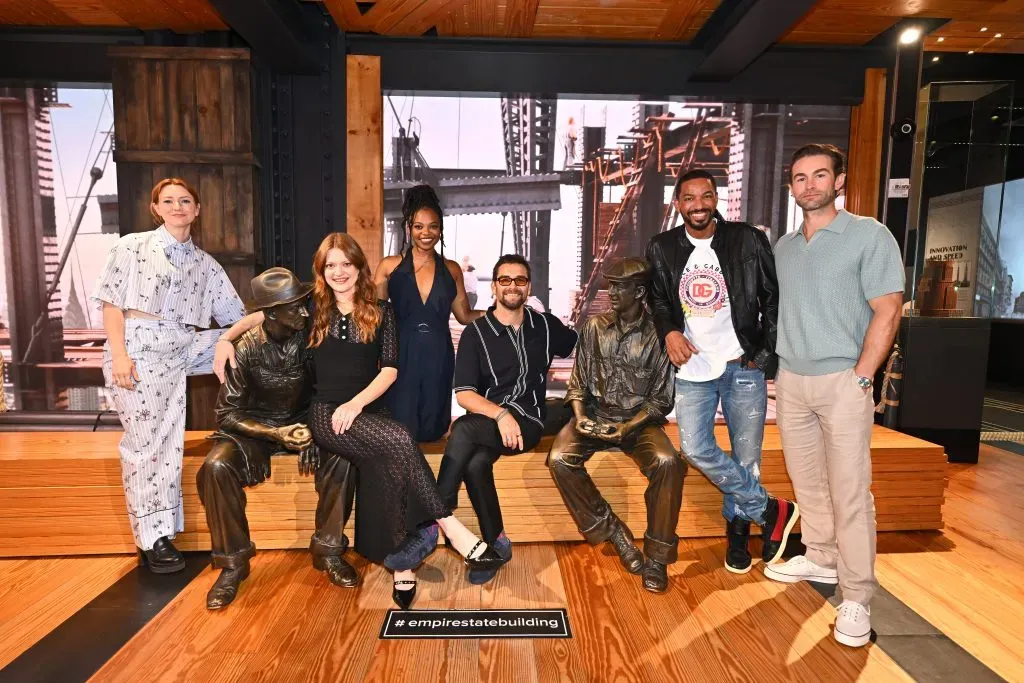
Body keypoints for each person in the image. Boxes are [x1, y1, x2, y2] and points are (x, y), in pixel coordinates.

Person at [303, 232, 503, 609]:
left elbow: (390, 370)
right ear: (321, 270)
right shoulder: (310, 309)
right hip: (328, 414)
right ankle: (453, 530)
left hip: (365, 410)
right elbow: (258, 318)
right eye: (330, 265)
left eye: (346, 263)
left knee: (393, 457)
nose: (339, 272)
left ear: (359, 267)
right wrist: (227, 339)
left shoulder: (382, 310)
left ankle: (402, 563)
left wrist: (356, 404)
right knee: (398, 439)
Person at [767, 144, 904, 648]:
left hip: (844, 380)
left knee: (850, 493)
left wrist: (863, 375)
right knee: (808, 483)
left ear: (839, 181)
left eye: (820, 175)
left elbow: (888, 309)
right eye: (800, 177)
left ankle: (857, 597)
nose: (810, 185)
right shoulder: (783, 248)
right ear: (792, 187)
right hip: (793, 382)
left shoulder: (870, 235)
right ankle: (821, 557)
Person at [92, 178, 257, 573]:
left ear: (196, 210)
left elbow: (237, 319)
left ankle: (261, 422)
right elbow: (112, 305)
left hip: (182, 345)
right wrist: (120, 355)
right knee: (151, 445)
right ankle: (153, 539)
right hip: (138, 347)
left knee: (253, 341)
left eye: (185, 201)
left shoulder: (205, 264)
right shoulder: (131, 247)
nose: (177, 206)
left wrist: (271, 320)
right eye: (168, 201)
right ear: (156, 209)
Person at [645, 169, 799, 576]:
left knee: (747, 458)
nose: (698, 205)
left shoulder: (747, 239)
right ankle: (771, 510)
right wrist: (669, 331)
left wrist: (763, 354)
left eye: (706, 196)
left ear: (716, 199)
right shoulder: (661, 246)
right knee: (695, 448)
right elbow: (658, 300)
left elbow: (772, 297)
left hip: (740, 364)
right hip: (693, 366)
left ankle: (738, 534)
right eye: (689, 198)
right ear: (678, 204)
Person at [196, 267, 358, 609]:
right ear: (270, 314)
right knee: (215, 467)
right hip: (254, 429)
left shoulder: (312, 340)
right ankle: (233, 564)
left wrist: (313, 431)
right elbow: (227, 414)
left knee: (342, 457)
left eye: (303, 304)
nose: (304, 312)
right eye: (294, 307)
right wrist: (275, 433)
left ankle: (328, 551)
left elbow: (328, 390)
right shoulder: (246, 349)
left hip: (304, 423)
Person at [438, 254, 578, 584]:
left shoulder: (545, 326)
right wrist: (500, 415)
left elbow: (581, 345)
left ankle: (437, 514)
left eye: (520, 280)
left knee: (463, 428)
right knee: (475, 464)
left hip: (529, 421)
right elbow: (465, 394)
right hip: (491, 423)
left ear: (528, 287)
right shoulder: (476, 333)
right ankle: (497, 543)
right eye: (505, 280)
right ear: (494, 287)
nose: (512, 286)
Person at [548, 257, 684, 593]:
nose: (611, 292)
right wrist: (581, 417)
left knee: (668, 462)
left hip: (638, 423)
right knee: (559, 459)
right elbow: (578, 383)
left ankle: (657, 558)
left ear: (639, 292)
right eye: (610, 285)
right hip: (595, 416)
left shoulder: (658, 335)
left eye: (619, 287)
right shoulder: (594, 327)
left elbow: (661, 400)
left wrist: (627, 428)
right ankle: (615, 532)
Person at [372, 184, 483, 442]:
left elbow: (464, 316)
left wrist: (498, 313)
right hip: (400, 355)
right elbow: (375, 318)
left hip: (439, 355)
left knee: (434, 430)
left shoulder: (452, 269)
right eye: (419, 226)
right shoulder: (389, 266)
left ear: (440, 229)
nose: (426, 233)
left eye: (433, 226)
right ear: (409, 228)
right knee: (400, 430)